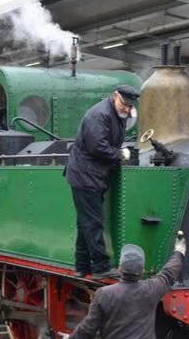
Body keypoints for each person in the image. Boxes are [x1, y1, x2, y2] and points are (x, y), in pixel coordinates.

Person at [65, 85, 140, 279]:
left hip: (91, 174)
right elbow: (97, 146)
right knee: (93, 222)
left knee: (85, 223)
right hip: (85, 175)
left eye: (131, 106)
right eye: (125, 104)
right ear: (115, 96)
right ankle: (100, 267)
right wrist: (119, 154)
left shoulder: (116, 114)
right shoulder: (99, 115)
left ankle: (81, 266)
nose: (127, 109)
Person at [70, 236, 186, 338]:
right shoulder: (152, 289)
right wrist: (179, 252)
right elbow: (169, 273)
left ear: (120, 269)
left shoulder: (104, 294)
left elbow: (88, 329)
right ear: (142, 271)